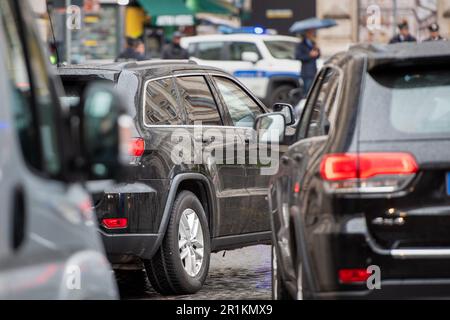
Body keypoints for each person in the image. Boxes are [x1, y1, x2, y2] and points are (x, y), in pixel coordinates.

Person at [295, 29, 320, 95]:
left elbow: (318, 56)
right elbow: (298, 56)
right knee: (307, 91)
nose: (312, 34)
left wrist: (317, 50)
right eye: (310, 32)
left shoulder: (313, 43)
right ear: (306, 33)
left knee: (313, 91)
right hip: (306, 72)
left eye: (313, 32)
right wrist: (310, 55)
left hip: (313, 71)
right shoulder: (301, 44)